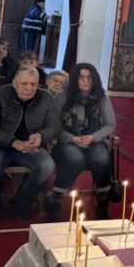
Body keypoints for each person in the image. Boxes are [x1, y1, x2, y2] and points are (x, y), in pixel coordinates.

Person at [0, 66, 60, 219]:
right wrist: (13, 142)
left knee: (47, 166)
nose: (29, 88)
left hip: (30, 147)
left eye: (33, 84)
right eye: (24, 84)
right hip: (0, 145)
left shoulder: (46, 98)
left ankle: (21, 203)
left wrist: (40, 136)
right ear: (14, 83)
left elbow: (55, 126)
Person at [50, 63, 116, 220]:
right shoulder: (62, 97)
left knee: (101, 158)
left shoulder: (101, 98)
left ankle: (103, 200)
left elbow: (110, 125)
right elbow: (53, 125)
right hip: (67, 141)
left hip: (94, 140)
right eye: (82, 77)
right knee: (75, 158)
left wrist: (94, 137)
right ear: (75, 79)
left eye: (89, 77)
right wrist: (72, 138)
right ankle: (55, 199)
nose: (86, 81)